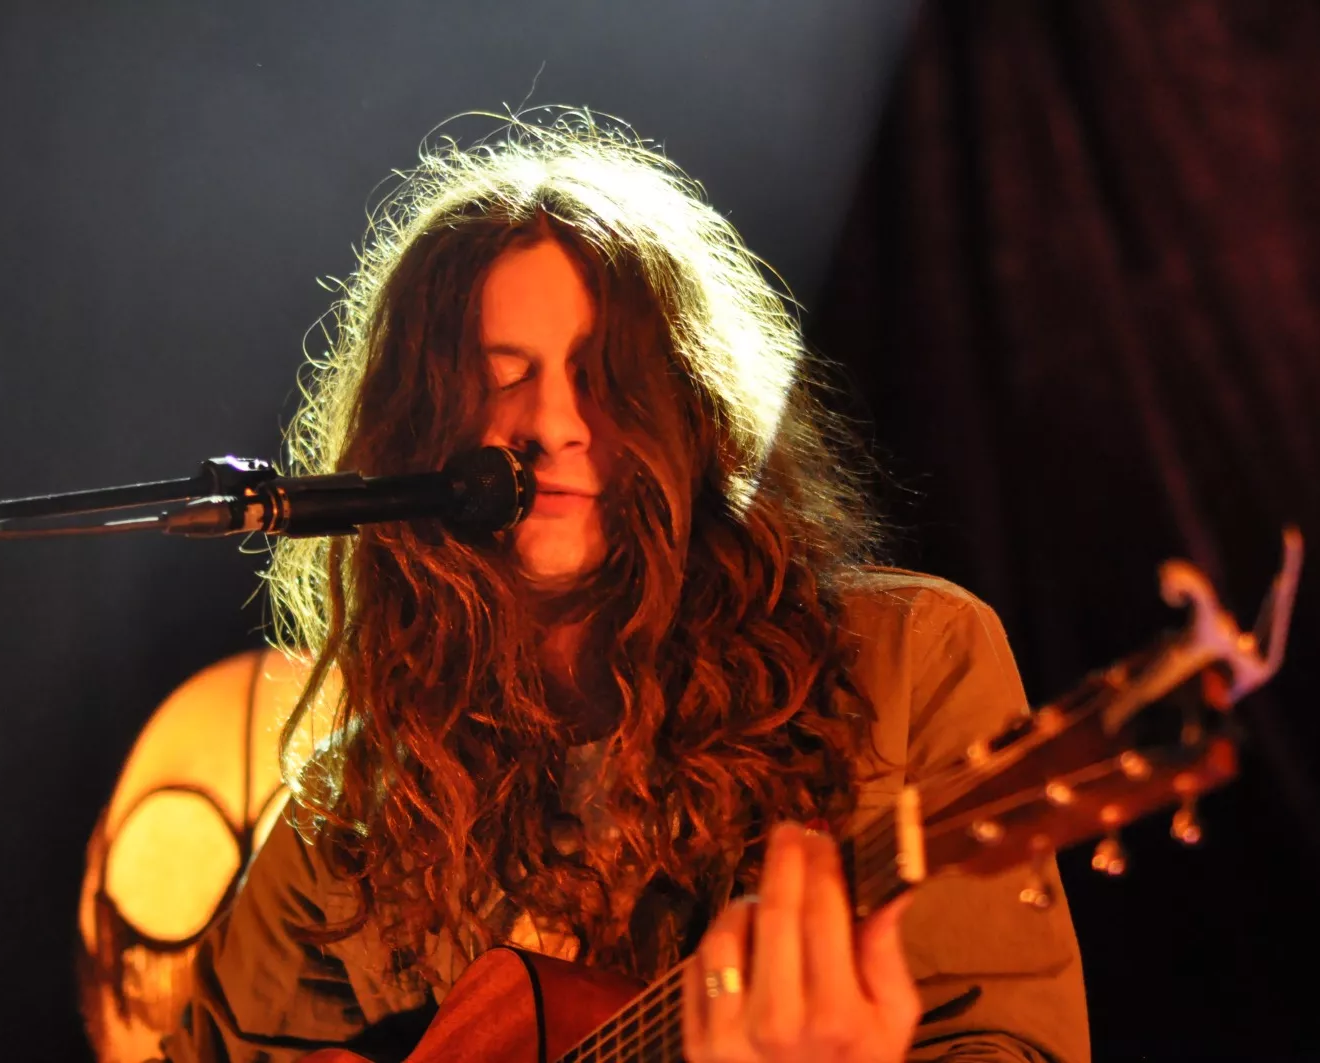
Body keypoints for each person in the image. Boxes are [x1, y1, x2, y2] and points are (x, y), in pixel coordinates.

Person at [160, 113, 1089, 1063]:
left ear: (688, 407)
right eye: (500, 375)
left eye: (602, 377)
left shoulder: (903, 666)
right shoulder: (363, 809)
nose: (554, 423)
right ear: (419, 427)